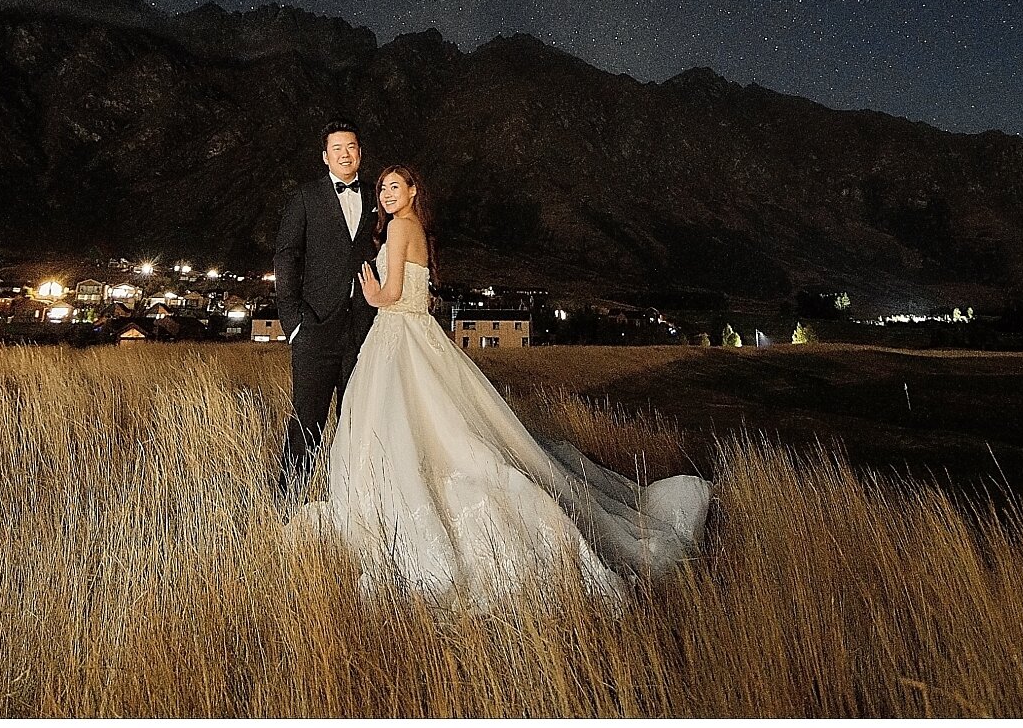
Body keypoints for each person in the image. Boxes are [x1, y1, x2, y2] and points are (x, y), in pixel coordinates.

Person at [292, 163, 711, 605]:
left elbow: (392, 292)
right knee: (438, 420)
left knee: (393, 424)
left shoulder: (398, 228)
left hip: (397, 335)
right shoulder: (417, 230)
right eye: (382, 188)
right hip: (417, 333)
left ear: (413, 191)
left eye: (395, 187)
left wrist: (372, 294)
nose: (386, 194)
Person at [271, 121, 378, 490]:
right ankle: (289, 500)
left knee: (359, 422)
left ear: (360, 153)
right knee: (307, 423)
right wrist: (293, 321)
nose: (345, 154)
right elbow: (286, 256)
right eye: (337, 148)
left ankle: (349, 500)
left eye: (351, 147)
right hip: (314, 328)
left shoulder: (378, 196)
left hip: (364, 329)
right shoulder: (306, 197)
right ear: (325, 156)